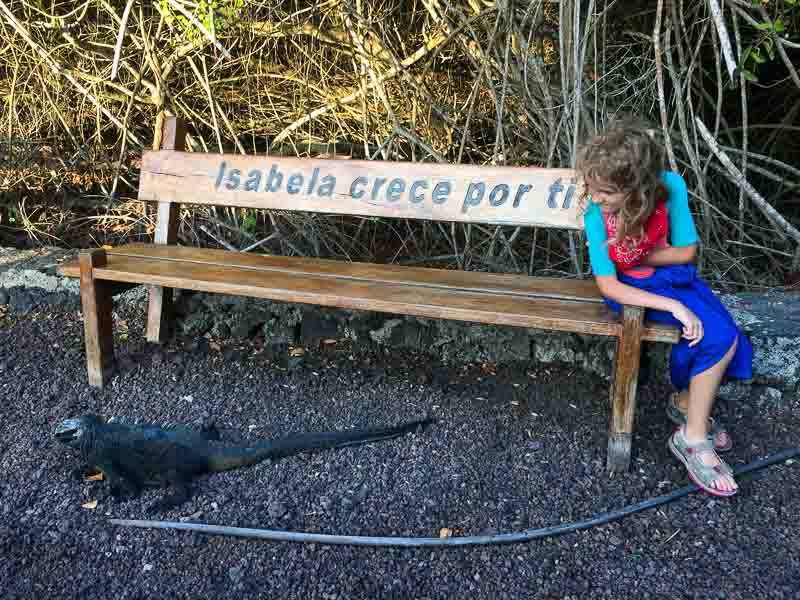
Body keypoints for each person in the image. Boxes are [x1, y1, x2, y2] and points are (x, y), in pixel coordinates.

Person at [577, 121, 753, 497]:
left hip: (673, 277)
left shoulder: (670, 186)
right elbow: (610, 283)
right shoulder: (596, 215)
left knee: (725, 335)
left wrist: (638, 254)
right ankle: (692, 436)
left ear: (638, 188)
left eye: (605, 192)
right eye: (591, 188)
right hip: (633, 291)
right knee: (717, 336)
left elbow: (687, 250)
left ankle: (689, 404)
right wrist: (672, 304)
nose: (593, 198)